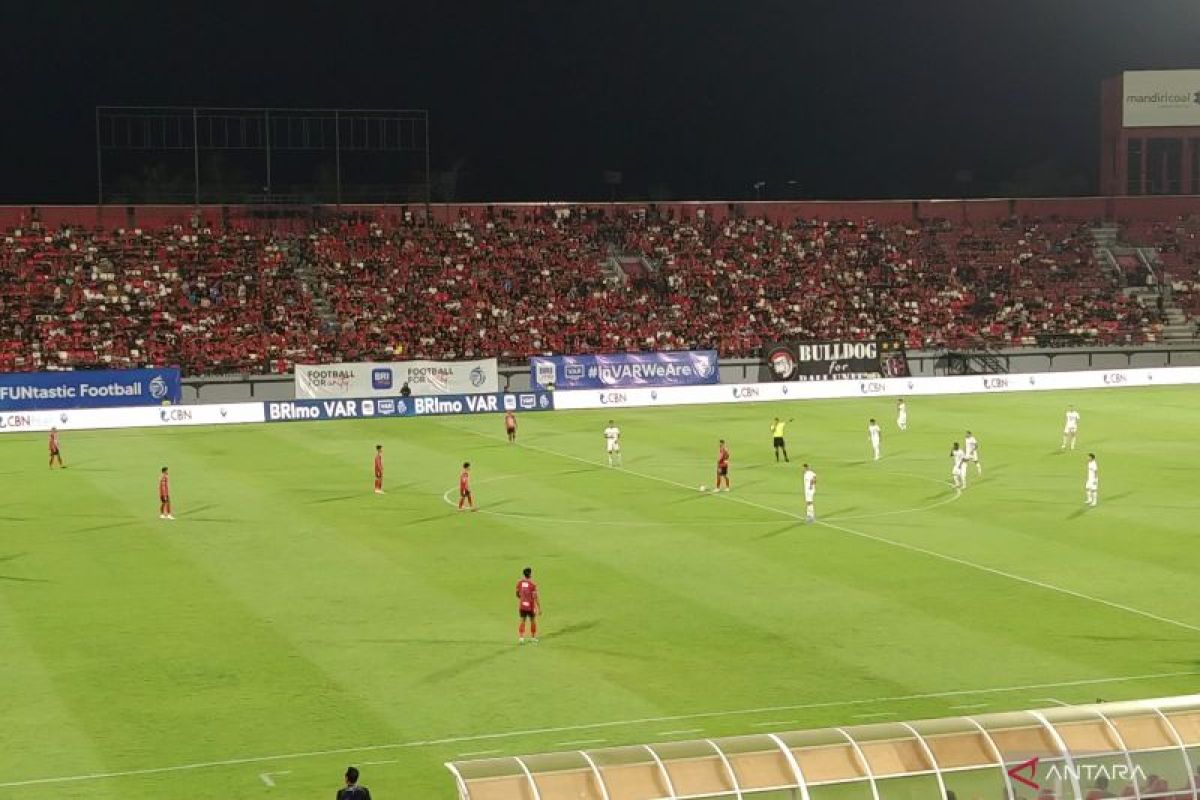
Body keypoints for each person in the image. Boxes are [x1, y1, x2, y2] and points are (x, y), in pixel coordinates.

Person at [516, 566, 540, 644]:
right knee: (533, 621)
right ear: (530, 574)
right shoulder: (533, 584)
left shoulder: (519, 582)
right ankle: (533, 638)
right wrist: (539, 608)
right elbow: (535, 597)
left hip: (522, 605)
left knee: (522, 620)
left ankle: (521, 638)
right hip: (530, 606)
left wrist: (522, 598)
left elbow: (517, 594)